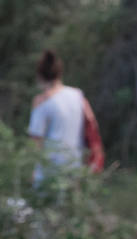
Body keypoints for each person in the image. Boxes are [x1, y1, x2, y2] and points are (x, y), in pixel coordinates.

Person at [27, 49, 100, 186]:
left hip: (48, 174)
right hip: (74, 169)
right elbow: (91, 125)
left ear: (39, 76)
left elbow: (35, 142)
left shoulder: (42, 103)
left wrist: (31, 173)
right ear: (59, 73)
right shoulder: (78, 96)